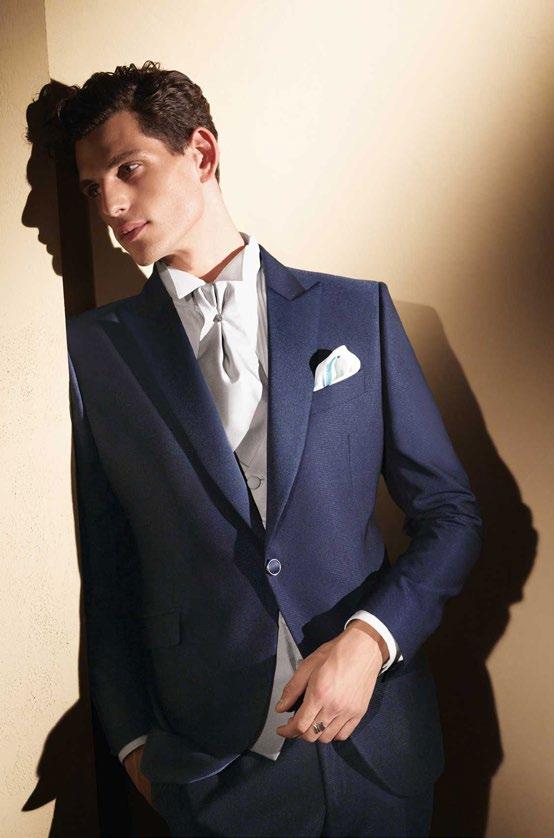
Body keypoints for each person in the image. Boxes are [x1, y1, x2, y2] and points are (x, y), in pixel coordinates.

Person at [57, 61, 483, 836]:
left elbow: (451, 514)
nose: (110, 205)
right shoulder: (94, 353)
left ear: (202, 153)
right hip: (215, 775)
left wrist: (371, 640)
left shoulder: (355, 312)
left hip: (380, 754)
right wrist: (132, 745)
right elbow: (108, 570)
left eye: (128, 169)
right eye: (93, 189)